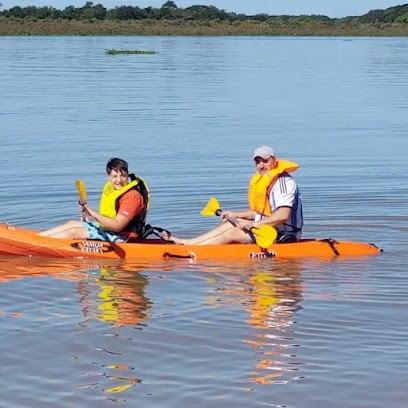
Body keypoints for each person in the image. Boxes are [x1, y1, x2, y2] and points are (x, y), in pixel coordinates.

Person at [168, 146, 303, 245]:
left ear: (274, 160)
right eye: (257, 162)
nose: (261, 166)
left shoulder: (285, 183)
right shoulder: (264, 180)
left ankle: (192, 251)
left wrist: (254, 224)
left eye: (265, 161)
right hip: (265, 228)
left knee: (232, 232)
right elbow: (262, 213)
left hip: (282, 235)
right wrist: (237, 215)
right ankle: (187, 243)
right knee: (230, 225)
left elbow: (282, 215)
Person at [39, 158, 150, 242]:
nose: (119, 180)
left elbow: (118, 226)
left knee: (73, 232)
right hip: (109, 230)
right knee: (71, 223)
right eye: (115, 176)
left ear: (127, 175)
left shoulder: (132, 196)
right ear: (108, 177)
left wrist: (93, 213)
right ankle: (37, 238)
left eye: (123, 176)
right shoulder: (112, 189)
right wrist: (87, 215)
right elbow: (108, 217)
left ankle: (40, 245)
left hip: (125, 237)